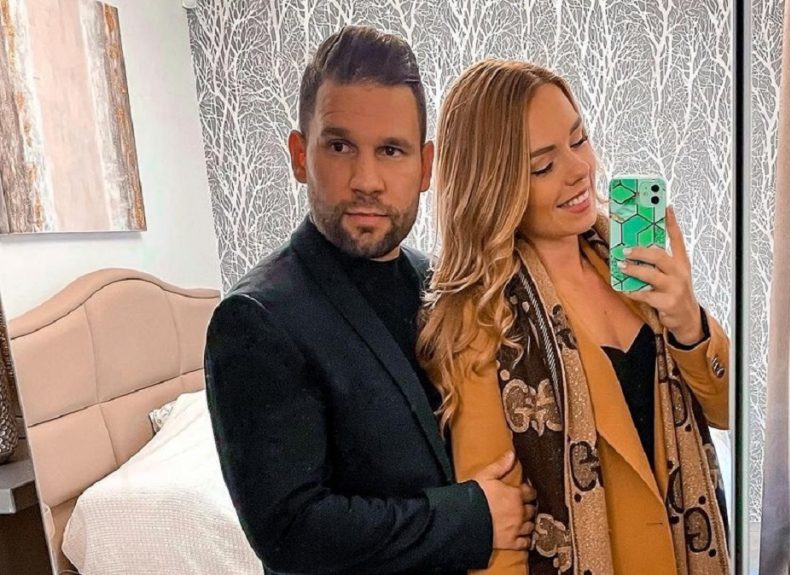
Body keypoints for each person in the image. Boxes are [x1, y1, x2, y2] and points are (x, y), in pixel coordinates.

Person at [204, 28, 535, 575]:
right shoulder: (256, 318)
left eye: (391, 150)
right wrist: (472, 517)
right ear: (300, 156)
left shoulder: (443, 285)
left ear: (425, 167)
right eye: (339, 147)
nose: (367, 180)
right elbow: (291, 531)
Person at [418, 59, 731, 574]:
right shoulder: (482, 321)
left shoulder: (631, 266)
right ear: (495, 187)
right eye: (543, 166)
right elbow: (501, 539)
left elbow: (727, 411)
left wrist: (687, 322)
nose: (579, 168)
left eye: (579, 139)